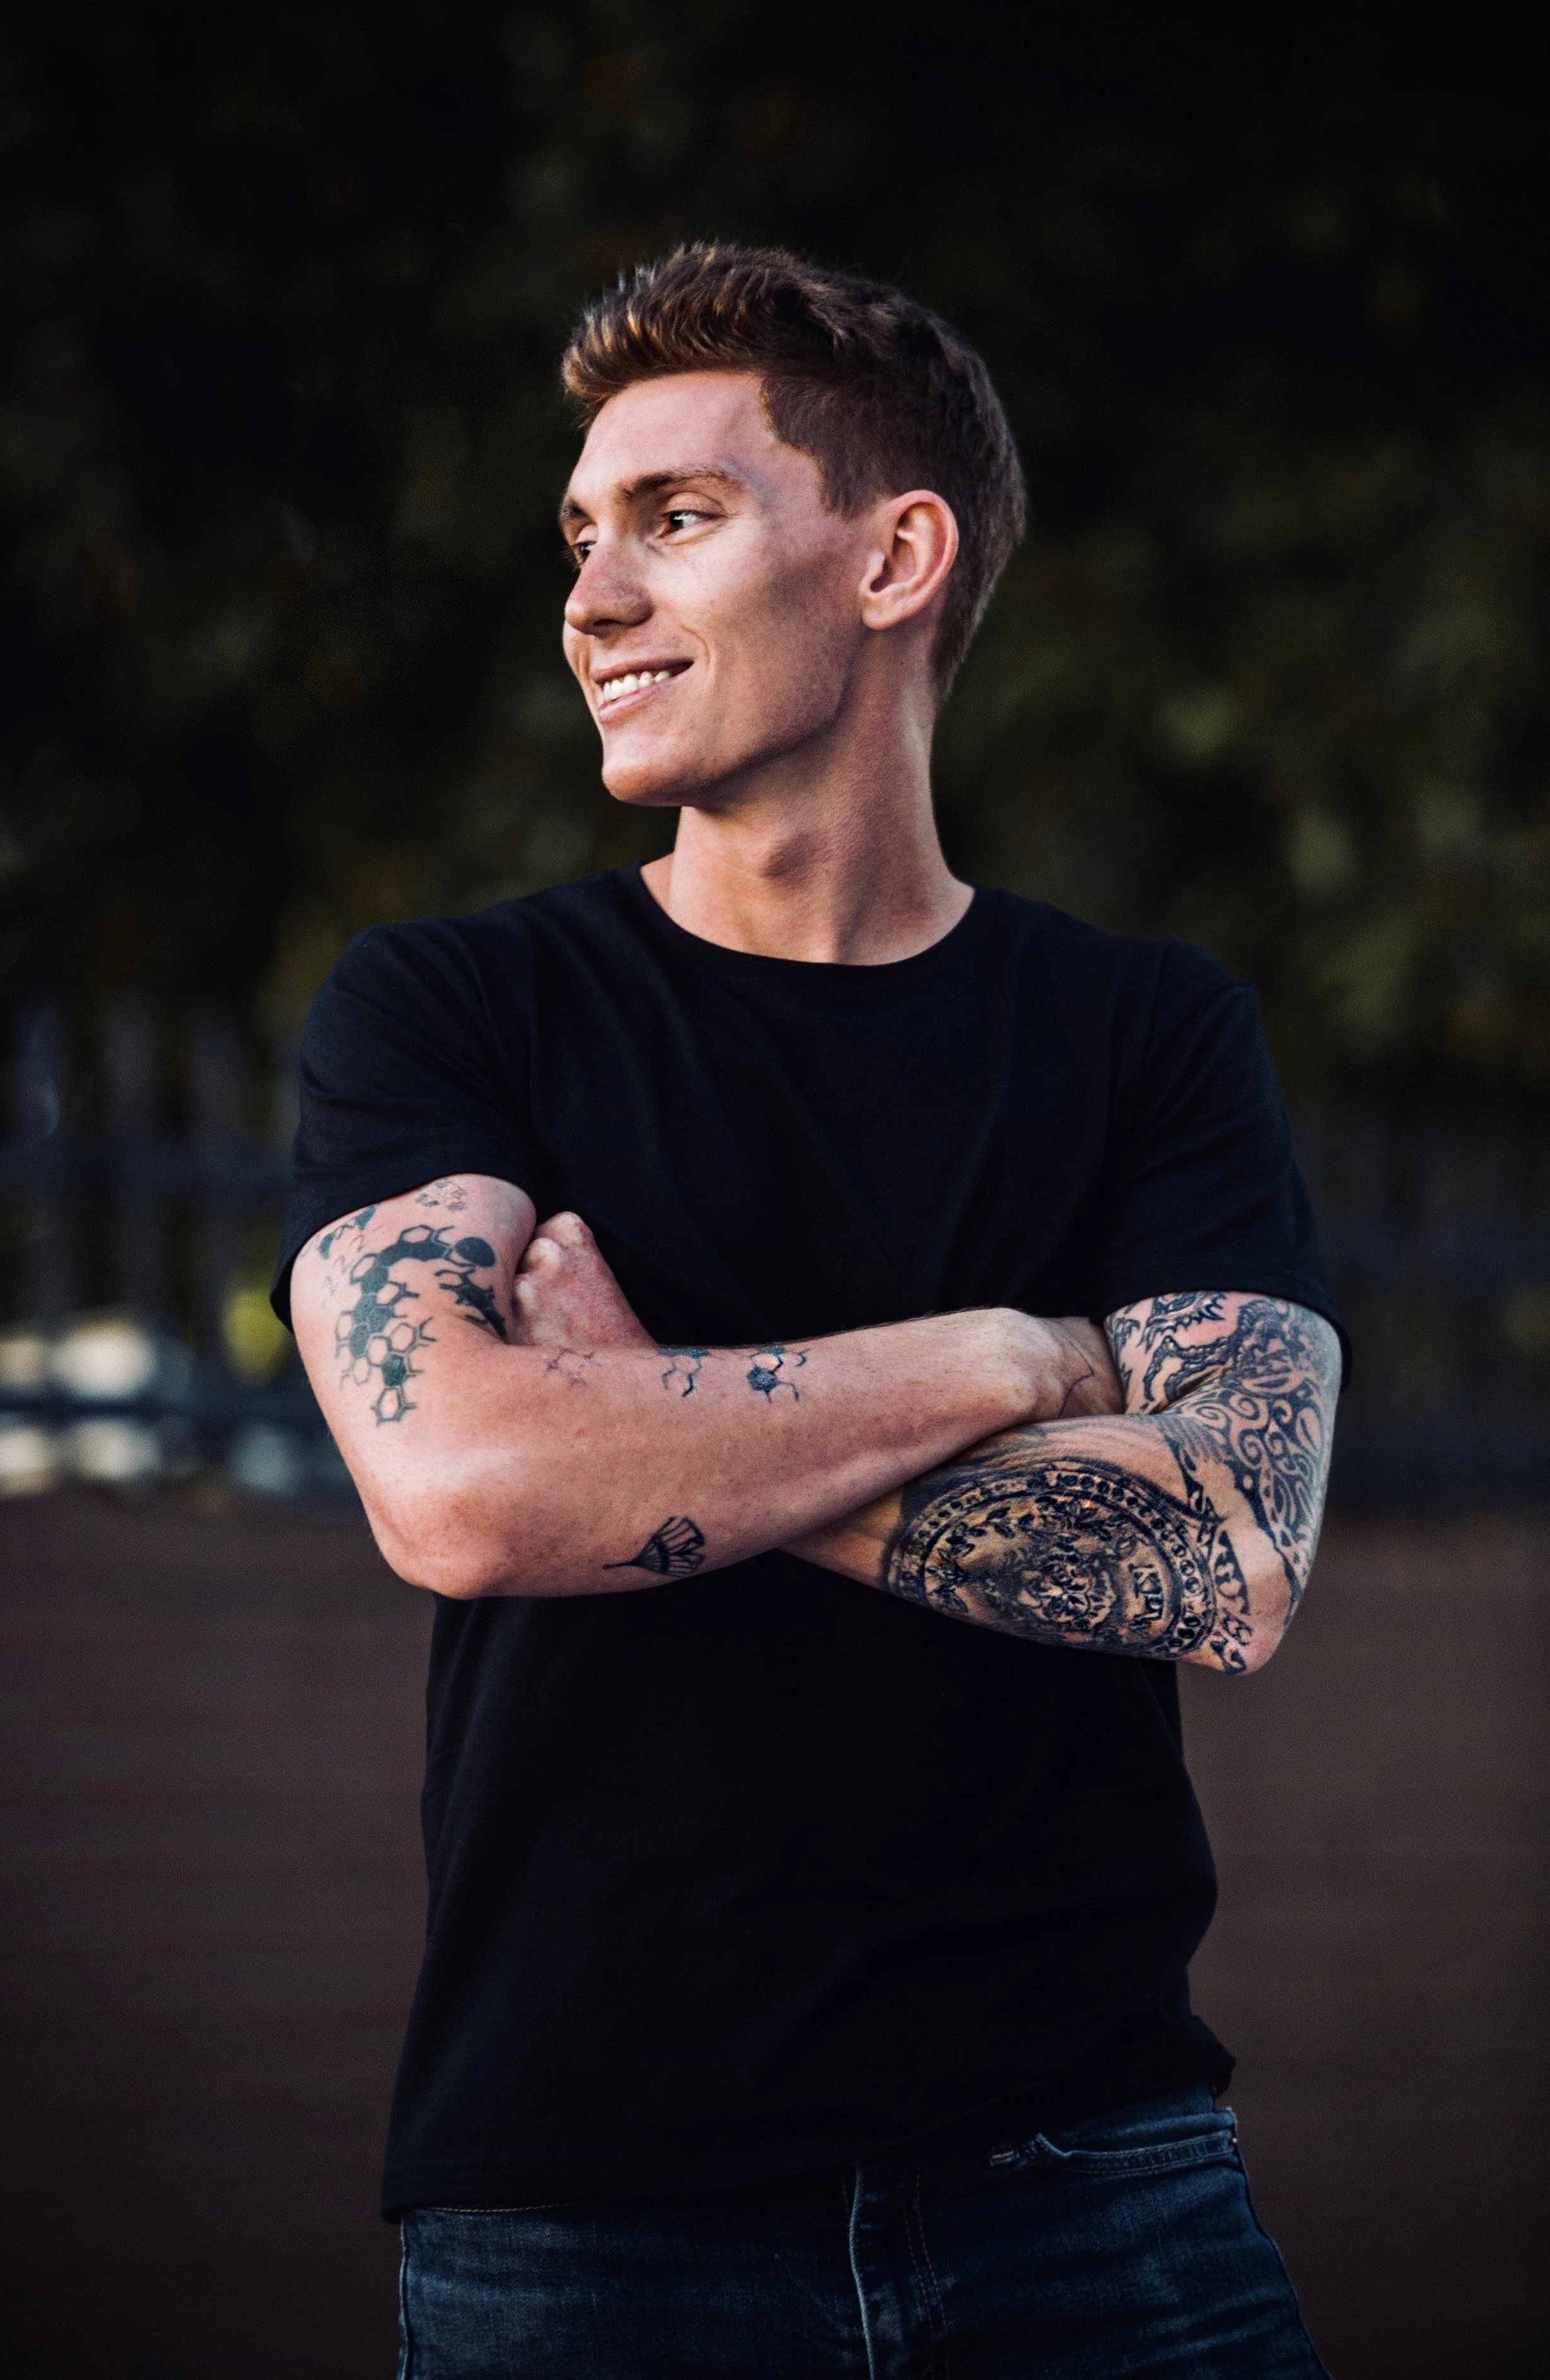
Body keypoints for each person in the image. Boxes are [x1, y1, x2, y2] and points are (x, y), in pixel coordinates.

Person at [274, 244, 1345, 2379]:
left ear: (893, 558)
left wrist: (639, 1406)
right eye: (576, 537)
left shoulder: (1142, 1034)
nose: (587, 602)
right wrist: (1001, 1359)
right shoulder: (456, 1010)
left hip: (1102, 2196)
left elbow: (1227, 1556)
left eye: (673, 519)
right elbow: (470, 1485)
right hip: (586, 2219)